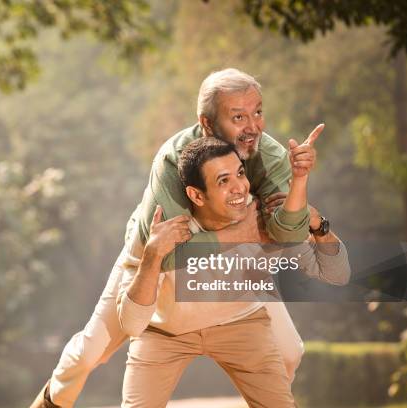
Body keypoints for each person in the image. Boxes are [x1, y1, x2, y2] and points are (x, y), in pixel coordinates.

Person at [30, 68, 322, 408]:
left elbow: (286, 234)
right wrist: (240, 233)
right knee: (88, 354)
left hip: (230, 270)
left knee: (289, 353)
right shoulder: (173, 160)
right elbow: (168, 257)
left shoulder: (269, 156)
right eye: (238, 117)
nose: (253, 127)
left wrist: (299, 184)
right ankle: (49, 402)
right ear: (207, 123)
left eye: (257, 112)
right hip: (149, 266)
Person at [117, 138, 350, 407]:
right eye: (223, 181)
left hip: (240, 322)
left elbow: (337, 273)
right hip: (165, 332)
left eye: (240, 173)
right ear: (197, 195)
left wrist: (317, 224)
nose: (239, 187)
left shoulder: (263, 216)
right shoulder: (161, 229)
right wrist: (153, 255)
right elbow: (132, 324)